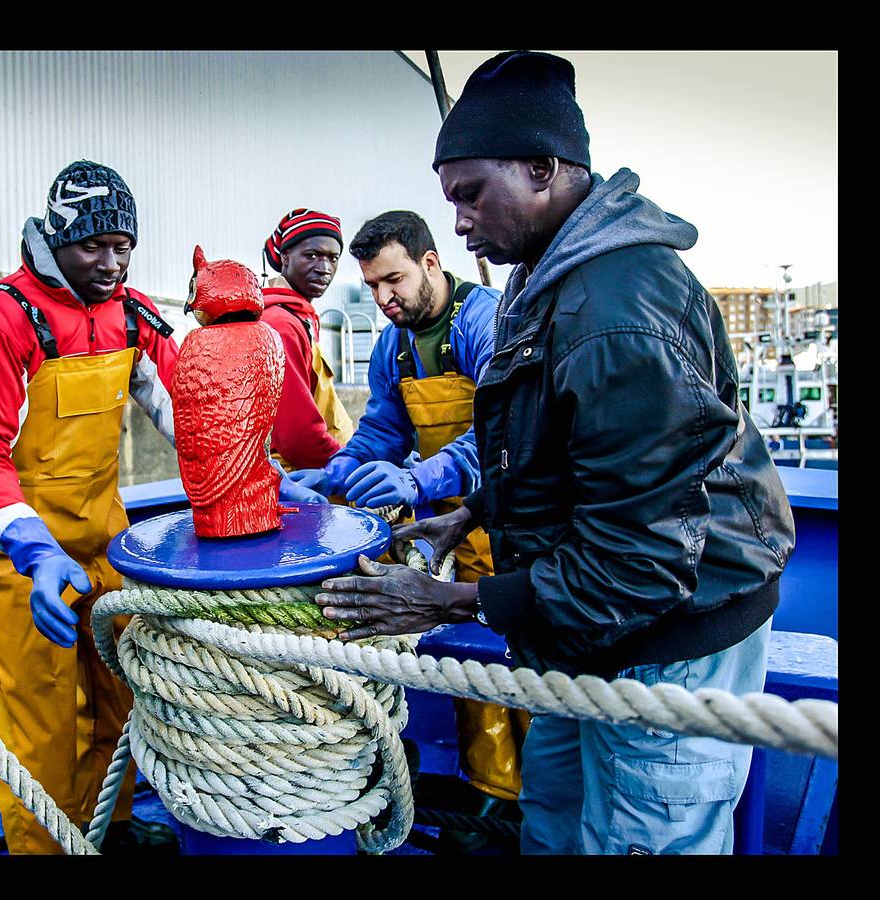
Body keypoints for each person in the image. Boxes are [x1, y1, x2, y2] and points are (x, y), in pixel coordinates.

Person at [315, 51, 795, 855]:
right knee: (556, 815)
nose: (460, 221)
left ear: (542, 169)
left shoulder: (617, 315)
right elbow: (551, 448)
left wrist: (450, 605)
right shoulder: (545, 278)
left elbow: (641, 561)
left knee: (637, 833)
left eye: (470, 196)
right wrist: (466, 512)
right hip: (584, 633)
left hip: (669, 638)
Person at [0, 160, 182, 855]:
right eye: (91, 247)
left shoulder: (132, 317)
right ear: (56, 238)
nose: (110, 263)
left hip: (105, 543)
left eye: (122, 246)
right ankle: (47, 845)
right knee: (37, 723)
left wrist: (261, 478)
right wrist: (36, 549)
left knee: (124, 694)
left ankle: (117, 828)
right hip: (19, 558)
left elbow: (185, 416)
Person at [289, 210, 529, 817]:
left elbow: (501, 435)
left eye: (392, 280)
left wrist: (421, 478)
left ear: (429, 264)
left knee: (510, 661)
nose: (383, 297)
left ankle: (513, 804)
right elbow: (381, 433)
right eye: (371, 286)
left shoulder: (485, 322)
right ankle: (482, 789)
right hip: (439, 533)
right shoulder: (393, 346)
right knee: (458, 662)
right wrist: (334, 474)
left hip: (504, 525)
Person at [258, 208, 354, 470]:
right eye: (311, 255)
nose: (324, 268)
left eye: (333, 258)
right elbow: (297, 436)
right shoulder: (281, 324)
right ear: (285, 256)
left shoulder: (301, 316)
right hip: (299, 481)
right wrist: (351, 466)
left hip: (319, 467)